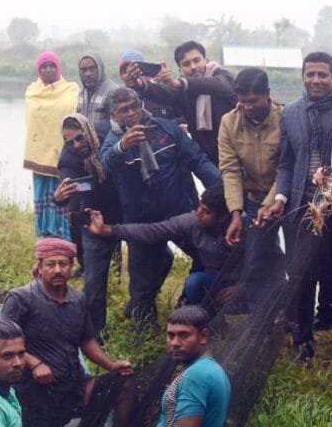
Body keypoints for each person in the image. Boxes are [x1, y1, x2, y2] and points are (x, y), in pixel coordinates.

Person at [257, 52, 332, 363]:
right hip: (301, 205)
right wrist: (281, 198)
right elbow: (286, 163)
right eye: (310, 74)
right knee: (300, 273)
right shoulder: (292, 113)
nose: (315, 80)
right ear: (303, 76)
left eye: (322, 75)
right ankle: (302, 340)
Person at [0, 237, 135, 427]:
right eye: (51, 264)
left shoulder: (78, 299)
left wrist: (112, 365)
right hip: (38, 393)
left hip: (74, 386)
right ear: (39, 267)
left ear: (72, 267)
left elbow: (87, 341)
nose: (57, 270)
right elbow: (2, 342)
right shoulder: (21, 298)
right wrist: (34, 365)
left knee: (123, 384)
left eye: (63, 264)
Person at [101, 87, 221, 323]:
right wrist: (123, 146)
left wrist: (222, 191)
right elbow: (104, 166)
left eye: (135, 106)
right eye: (124, 110)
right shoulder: (114, 139)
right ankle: (142, 328)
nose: (132, 113)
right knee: (142, 283)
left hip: (179, 212)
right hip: (141, 220)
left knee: (206, 256)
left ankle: (190, 306)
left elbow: (197, 159)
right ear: (114, 115)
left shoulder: (166, 128)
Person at [133, 306, 231, 427]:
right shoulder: (214, 370)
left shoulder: (196, 376)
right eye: (170, 335)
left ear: (203, 336)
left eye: (184, 335)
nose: (175, 343)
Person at [86, 185, 234, 306]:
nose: (199, 213)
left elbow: (256, 266)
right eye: (200, 207)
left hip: (246, 284)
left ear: (222, 217)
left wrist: (242, 288)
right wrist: (108, 229)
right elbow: (152, 231)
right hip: (214, 281)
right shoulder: (192, 222)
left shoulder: (244, 229)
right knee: (194, 283)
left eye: (206, 212)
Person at [217, 68, 284, 310]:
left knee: (296, 262)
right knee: (256, 261)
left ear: (267, 94)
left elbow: (287, 167)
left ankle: (292, 317)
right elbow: (230, 170)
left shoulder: (287, 118)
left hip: (287, 196)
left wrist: (271, 203)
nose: (247, 107)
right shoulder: (228, 122)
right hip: (254, 200)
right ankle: (260, 321)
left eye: (253, 101)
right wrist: (236, 213)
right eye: (242, 101)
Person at [54, 113, 123, 337]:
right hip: (95, 219)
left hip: (128, 210)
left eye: (79, 139)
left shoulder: (108, 133)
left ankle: (139, 317)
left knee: (152, 266)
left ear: (90, 132)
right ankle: (95, 334)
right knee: (93, 284)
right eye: (69, 142)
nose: (76, 145)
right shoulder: (68, 158)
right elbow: (65, 182)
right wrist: (60, 197)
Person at [152, 41, 237, 166]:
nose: (193, 67)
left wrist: (181, 83)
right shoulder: (183, 91)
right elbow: (165, 93)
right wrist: (140, 85)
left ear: (206, 60)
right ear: (180, 69)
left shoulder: (223, 77)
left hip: (236, 155)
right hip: (209, 159)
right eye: (186, 64)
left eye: (197, 60)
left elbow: (220, 86)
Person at [23, 50, 79, 240]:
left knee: (63, 195)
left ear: (58, 68)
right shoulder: (32, 91)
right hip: (39, 155)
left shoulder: (71, 90)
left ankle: (63, 238)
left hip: (62, 155)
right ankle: (45, 236)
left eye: (52, 66)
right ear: (39, 70)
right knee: (42, 194)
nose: (48, 70)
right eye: (44, 67)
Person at [118, 48, 186, 122]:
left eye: (135, 70)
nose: (130, 74)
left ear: (143, 71)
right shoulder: (115, 100)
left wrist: (176, 126)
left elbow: (183, 115)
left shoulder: (159, 93)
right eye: (125, 71)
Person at [76, 52, 118, 122]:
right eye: (84, 70)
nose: (88, 74)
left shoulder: (113, 92)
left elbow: (117, 125)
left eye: (92, 68)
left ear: (100, 69)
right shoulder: (82, 93)